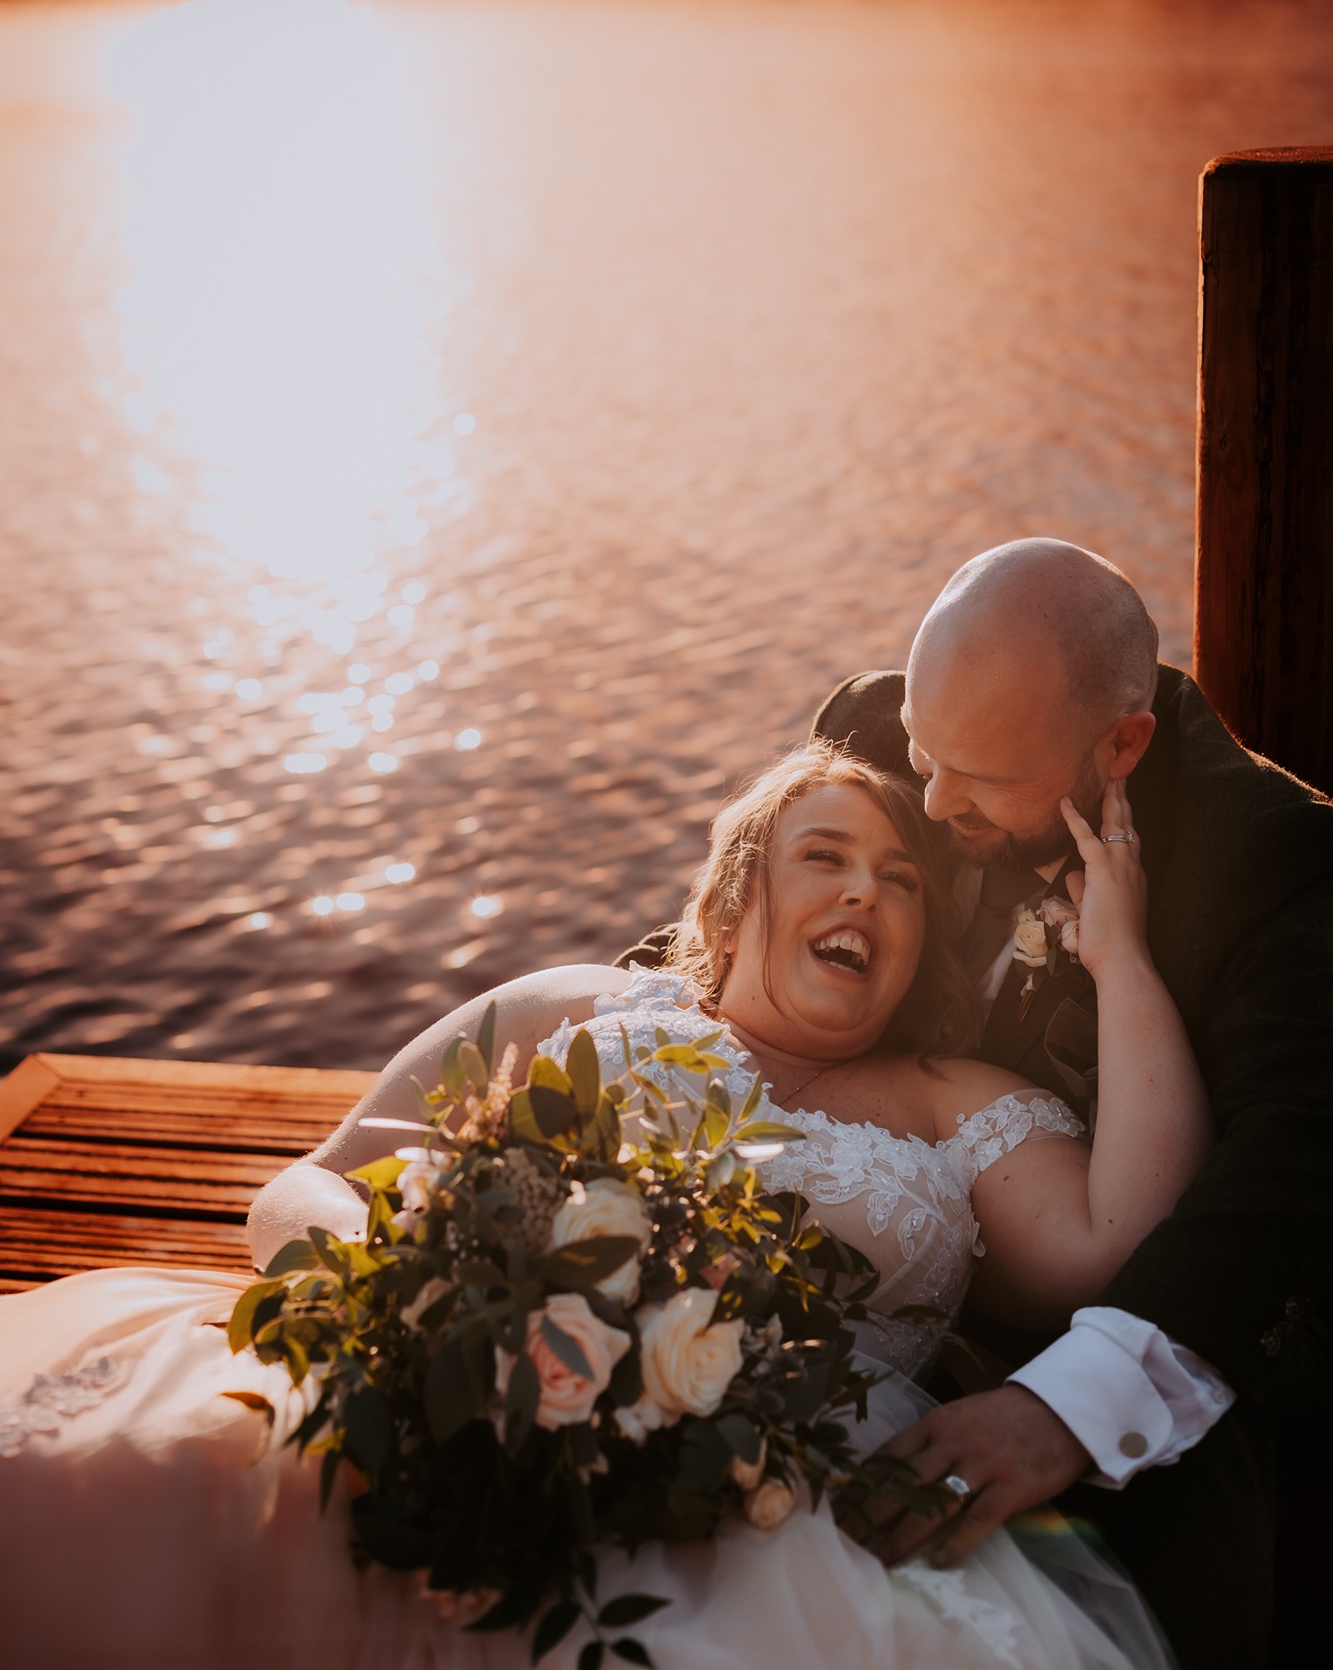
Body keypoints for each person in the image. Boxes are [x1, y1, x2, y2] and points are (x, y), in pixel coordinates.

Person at [0, 737, 1201, 1670]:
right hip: (485, 1415)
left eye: (899, 881)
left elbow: (1126, 1245)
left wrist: (1123, 960)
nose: (866, 894)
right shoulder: (577, 1008)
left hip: (800, 1505)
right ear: (734, 903)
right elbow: (307, 1182)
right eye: (823, 857)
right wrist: (444, 1292)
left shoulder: (958, 1102)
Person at [794, 539, 1333, 1670]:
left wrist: (1069, 1408)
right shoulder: (877, 727)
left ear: (1121, 744)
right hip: (859, 1257)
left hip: (1115, 1319)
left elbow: (1292, 1162)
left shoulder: (1274, 862)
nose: (931, 799)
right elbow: (751, 920)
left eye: (979, 779)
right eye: (921, 755)